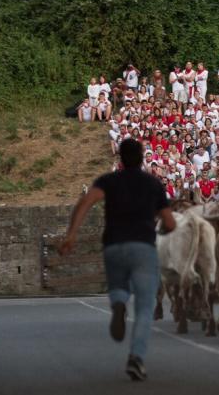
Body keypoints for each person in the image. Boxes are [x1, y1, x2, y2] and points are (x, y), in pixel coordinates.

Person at [59, 139, 176, 381]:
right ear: (142, 157)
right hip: (143, 245)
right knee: (145, 307)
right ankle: (136, 357)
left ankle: (119, 302)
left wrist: (71, 234)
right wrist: (162, 223)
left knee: (118, 285)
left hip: (113, 244)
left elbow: (85, 203)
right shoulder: (152, 184)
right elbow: (170, 222)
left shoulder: (108, 181)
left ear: (120, 158)